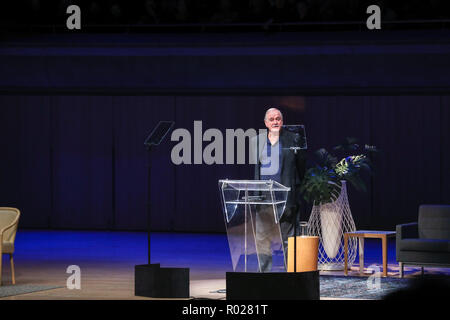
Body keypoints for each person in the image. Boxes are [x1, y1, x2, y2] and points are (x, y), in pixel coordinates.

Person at [251, 107, 306, 272]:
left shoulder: (293, 139)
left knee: (289, 240)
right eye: (272, 119)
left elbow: (301, 167)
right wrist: (256, 195)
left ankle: (291, 274)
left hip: (286, 197)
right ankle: (265, 274)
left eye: (278, 119)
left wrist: (296, 189)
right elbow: (257, 170)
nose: (275, 122)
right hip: (264, 198)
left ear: (282, 121)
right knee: (262, 239)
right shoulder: (259, 141)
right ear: (266, 123)